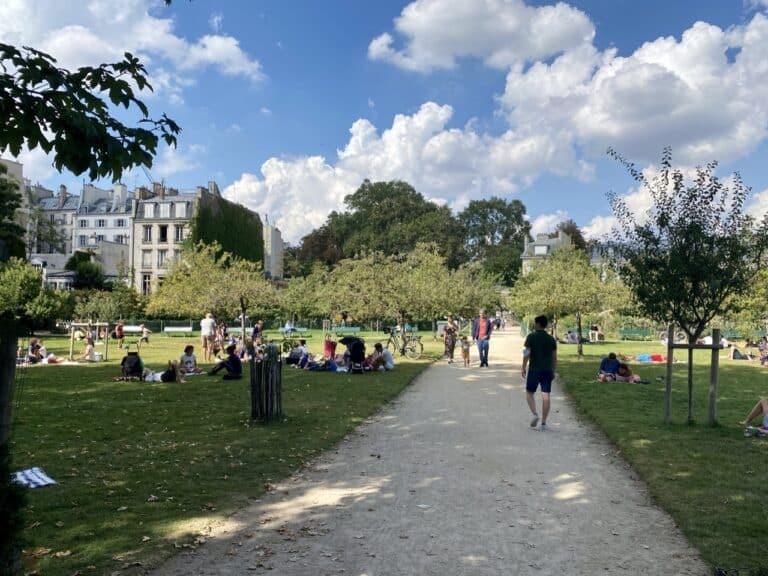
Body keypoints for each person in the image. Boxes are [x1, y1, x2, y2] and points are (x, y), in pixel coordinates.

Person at [522, 315, 557, 430]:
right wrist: (553, 370)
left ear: (537, 324)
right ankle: (544, 423)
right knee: (546, 395)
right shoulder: (551, 339)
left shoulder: (531, 337)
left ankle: (534, 414)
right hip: (547, 370)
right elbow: (554, 357)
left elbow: (526, 354)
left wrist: (523, 367)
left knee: (529, 392)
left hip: (534, 369)